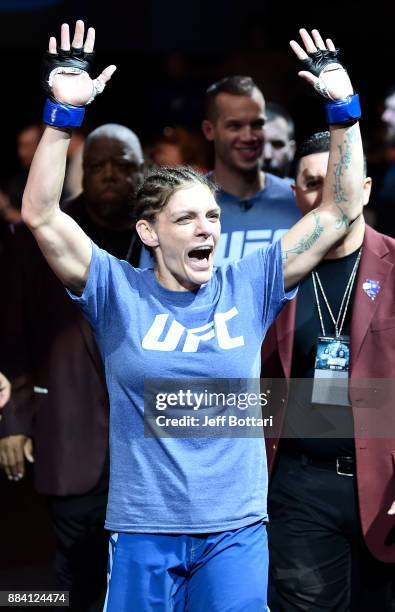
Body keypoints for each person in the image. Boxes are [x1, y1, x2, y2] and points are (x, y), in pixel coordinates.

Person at [22, 21, 364, 611]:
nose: (206, 228)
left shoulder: (247, 285)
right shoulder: (115, 290)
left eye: (212, 216)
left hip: (235, 531)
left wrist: (343, 109)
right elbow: (42, 215)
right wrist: (61, 116)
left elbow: (337, 211)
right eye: (186, 220)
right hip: (141, 531)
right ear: (149, 232)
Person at [0, 122, 144, 611]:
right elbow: (13, 337)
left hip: (151, 442)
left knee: (140, 573)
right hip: (67, 430)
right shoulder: (40, 237)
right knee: (67, 578)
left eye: (121, 164)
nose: (108, 175)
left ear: (142, 171)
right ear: (80, 171)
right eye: (97, 165)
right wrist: (13, 420)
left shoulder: (164, 234)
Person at [263, 131, 395, 611]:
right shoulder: (274, 274)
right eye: (312, 183)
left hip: (385, 481)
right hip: (301, 485)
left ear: (362, 188)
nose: (325, 196)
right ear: (295, 192)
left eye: (337, 183)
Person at [202, 75, 300, 266]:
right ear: (208, 130)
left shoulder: (298, 198)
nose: (248, 136)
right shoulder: (184, 204)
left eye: (257, 124)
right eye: (235, 126)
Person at [263, 101, 296, 181]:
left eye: (277, 145)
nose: (267, 155)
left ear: (292, 150)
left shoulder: (303, 193)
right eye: (259, 144)